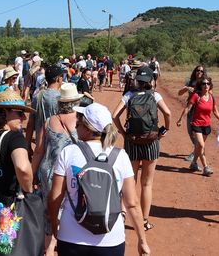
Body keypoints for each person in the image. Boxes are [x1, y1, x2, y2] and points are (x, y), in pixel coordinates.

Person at [48, 103, 151, 256]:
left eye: (79, 122)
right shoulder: (120, 156)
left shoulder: (68, 152)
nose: (76, 126)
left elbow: (55, 197)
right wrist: (142, 239)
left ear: (88, 129)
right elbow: (132, 204)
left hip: (71, 237)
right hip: (110, 240)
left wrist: (54, 223)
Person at [112, 66, 171, 231]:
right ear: (151, 81)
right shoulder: (155, 95)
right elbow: (168, 114)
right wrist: (163, 130)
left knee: (130, 181)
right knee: (147, 184)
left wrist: (123, 133)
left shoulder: (129, 95)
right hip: (151, 142)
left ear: (136, 80)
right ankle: (144, 221)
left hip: (132, 141)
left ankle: (123, 214)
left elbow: (114, 115)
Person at [31, 83, 82, 255]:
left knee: (49, 212)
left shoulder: (49, 121)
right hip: (73, 172)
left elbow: (38, 150)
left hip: (49, 172)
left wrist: (31, 176)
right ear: (76, 101)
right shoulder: (82, 121)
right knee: (72, 210)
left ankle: (49, 248)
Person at [176, 76, 219, 176]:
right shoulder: (196, 96)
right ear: (200, 86)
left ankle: (193, 163)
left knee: (198, 147)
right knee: (201, 145)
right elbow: (188, 108)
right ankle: (206, 167)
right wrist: (180, 119)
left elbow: (215, 110)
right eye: (204, 83)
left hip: (206, 125)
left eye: (208, 84)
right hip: (196, 124)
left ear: (210, 86)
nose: (206, 85)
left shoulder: (211, 97)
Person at [25, 65, 62, 154]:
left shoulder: (37, 97)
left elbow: (30, 124)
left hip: (40, 144)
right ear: (58, 79)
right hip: (58, 145)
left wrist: (28, 145)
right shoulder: (62, 98)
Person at [177, 65, 207, 161]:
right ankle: (198, 151)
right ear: (195, 71)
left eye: (201, 71)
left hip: (200, 111)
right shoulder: (189, 82)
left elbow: (209, 94)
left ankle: (196, 153)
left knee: (196, 133)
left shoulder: (205, 83)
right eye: (197, 70)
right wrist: (186, 88)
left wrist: (197, 91)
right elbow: (179, 93)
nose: (199, 72)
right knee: (190, 132)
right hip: (190, 110)